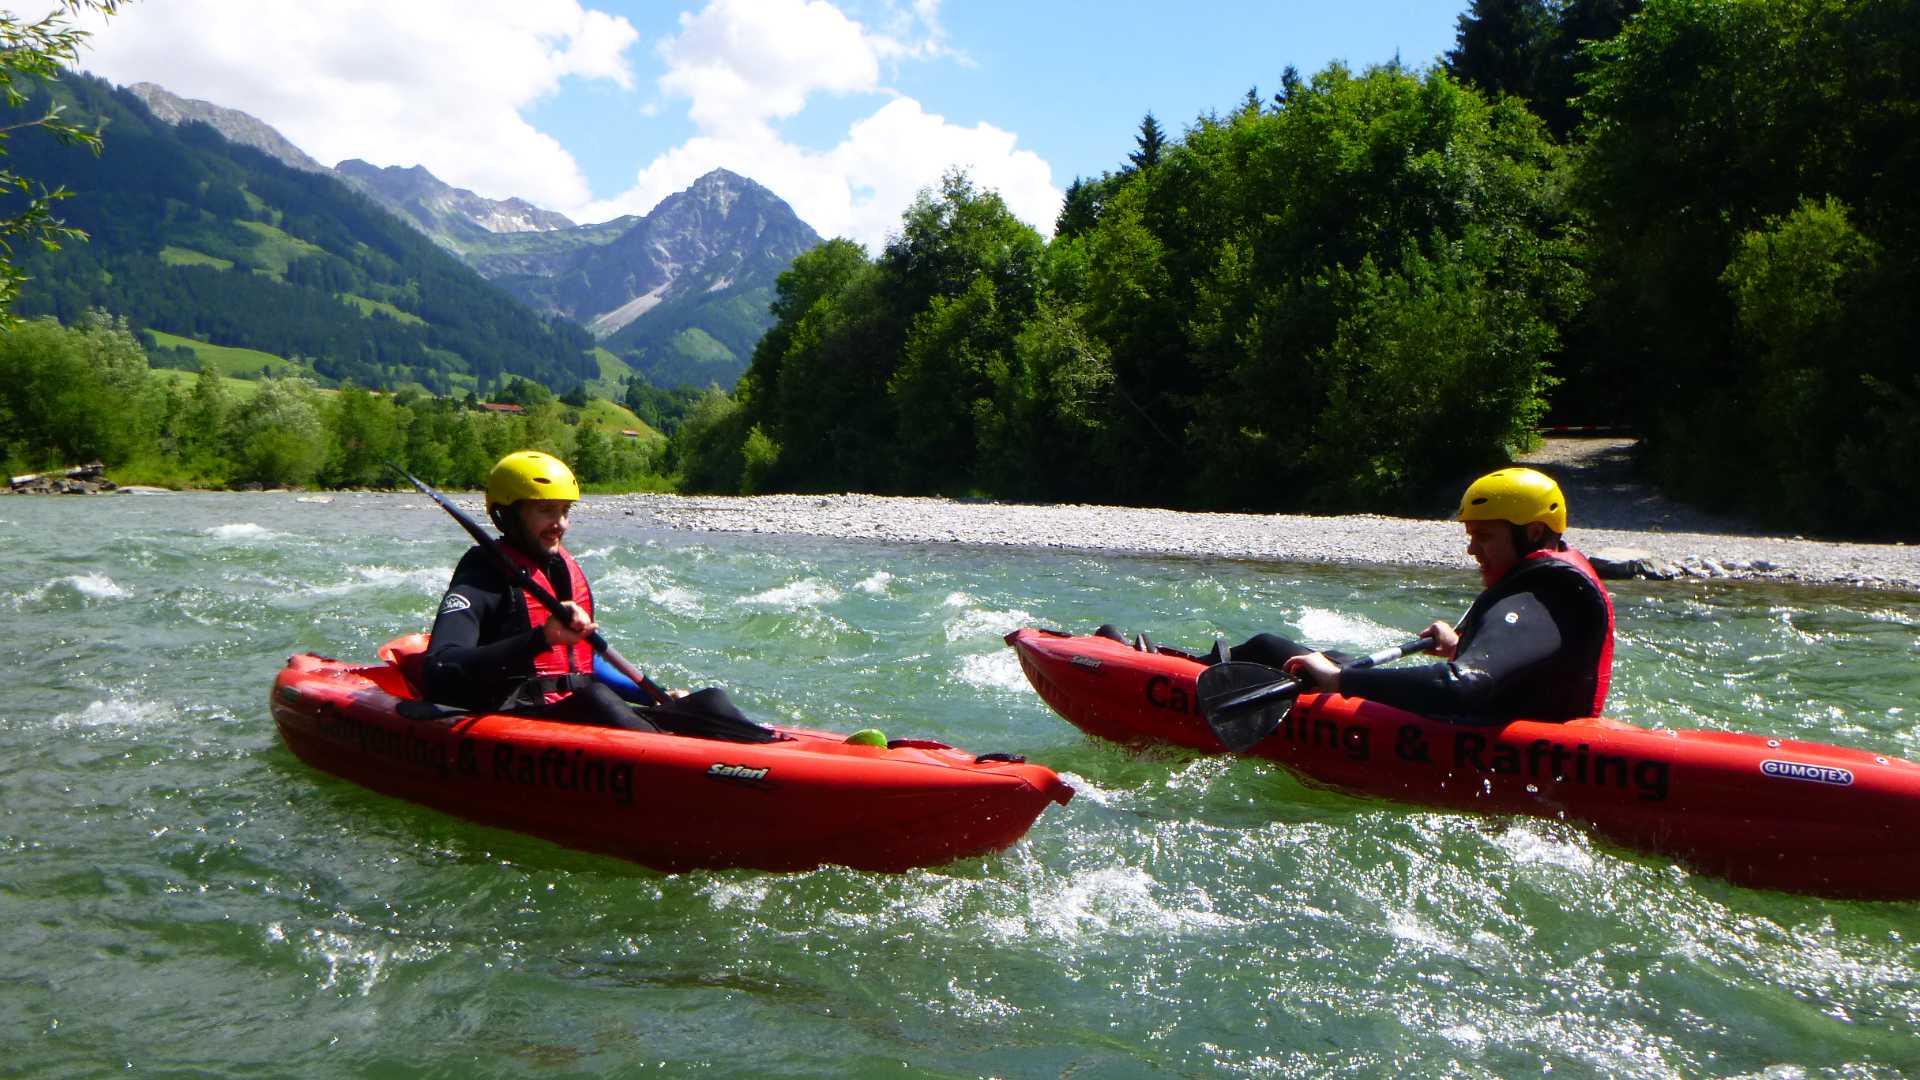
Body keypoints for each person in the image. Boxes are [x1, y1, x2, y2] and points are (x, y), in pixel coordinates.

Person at [1226, 467, 1615, 723]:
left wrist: (1340, 681)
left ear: (1531, 533)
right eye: (1470, 536)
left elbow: (1461, 686)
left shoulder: (1537, 598)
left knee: (1269, 648)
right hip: (1511, 719)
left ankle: (1177, 678)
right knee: (1325, 657)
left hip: (1491, 736)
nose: (1472, 550)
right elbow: (1516, 662)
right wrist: (1461, 645)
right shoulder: (1552, 593)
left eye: (1484, 536)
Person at [423, 450, 662, 731]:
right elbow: (439, 667)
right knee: (596, 699)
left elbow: (583, 664)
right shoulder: (481, 574)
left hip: (576, 712)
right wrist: (541, 638)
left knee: (708, 704)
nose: (560, 524)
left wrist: (651, 695)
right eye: (547, 510)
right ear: (509, 516)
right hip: (516, 718)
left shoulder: (559, 570)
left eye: (564, 511)